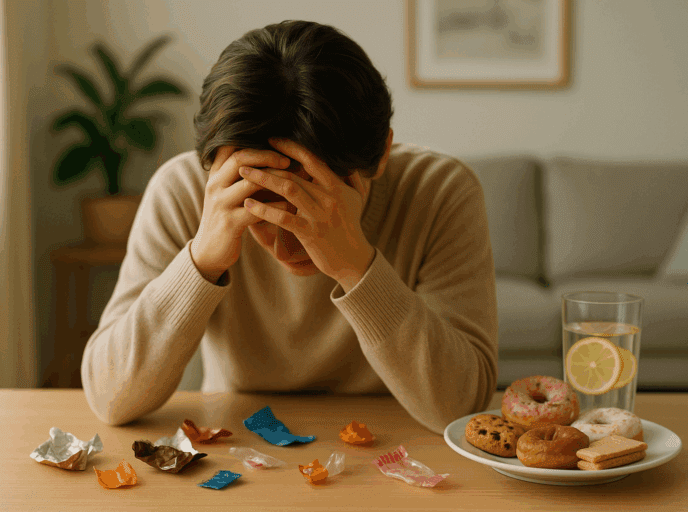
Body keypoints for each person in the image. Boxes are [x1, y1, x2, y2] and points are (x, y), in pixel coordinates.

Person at [81, 20, 498, 435]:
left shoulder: (441, 191)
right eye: (259, 202)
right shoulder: (183, 190)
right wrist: (201, 261)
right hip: (241, 442)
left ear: (382, 153)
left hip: (395, 443)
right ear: (212, 160)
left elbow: (460, 409)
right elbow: (109, 398)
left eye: (316, 201)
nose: (286, 244)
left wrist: (356, 266)